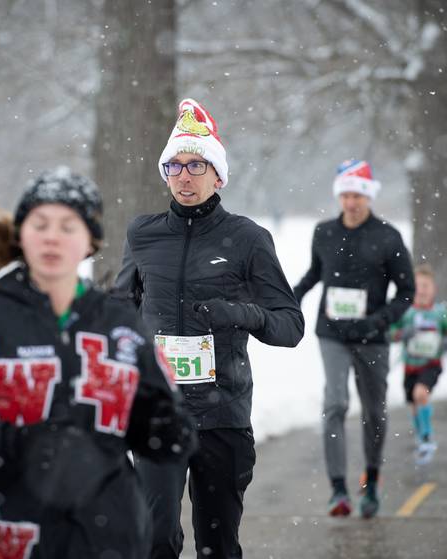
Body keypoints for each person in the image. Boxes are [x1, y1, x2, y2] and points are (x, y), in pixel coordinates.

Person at [0, 167, 196, 559]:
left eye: (69, 226)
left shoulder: (122, 330)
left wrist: (158, 426)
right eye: (40, 224)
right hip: (3, 540)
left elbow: (172, 435)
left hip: (108, 542)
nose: (53, 236)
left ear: (91, 241)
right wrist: (12, 445)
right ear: (22, 235)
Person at [113, 99, 304, 559]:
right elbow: (120, 310)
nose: (184, 175)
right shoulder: (143, 234)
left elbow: (290, 326)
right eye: (174, 165)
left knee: (217, 546)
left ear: (218, 174)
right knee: (154, 539)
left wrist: (239, 313)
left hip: (222, 415)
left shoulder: (247, 239)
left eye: (196, 164)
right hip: (158, 412)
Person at [292, 159, 415, 518]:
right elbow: (315, 273)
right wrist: (291, 296)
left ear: (369, 197)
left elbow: (406, 290)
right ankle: (338, 490)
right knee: (335, 404)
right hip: (331, 332)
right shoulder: (324, 232)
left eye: (358, 195)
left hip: (373, 337)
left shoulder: (388, 236)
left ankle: (371, 482)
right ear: (339, 196)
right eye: (345, 195)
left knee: (374, 412)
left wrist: (380, 320)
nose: (351, 202)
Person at [388, 263, 447, 466]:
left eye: (426, 285)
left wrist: (446, 342)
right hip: (410, 365)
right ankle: (420, 434)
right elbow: (391, 333)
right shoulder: (406, 312)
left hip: (431, 364)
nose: (422, 290)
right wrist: (402, 334)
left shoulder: (439, 312)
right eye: (418, 286)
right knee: (414, 404)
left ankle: (427, 435)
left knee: (420, 394)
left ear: (433, 289)